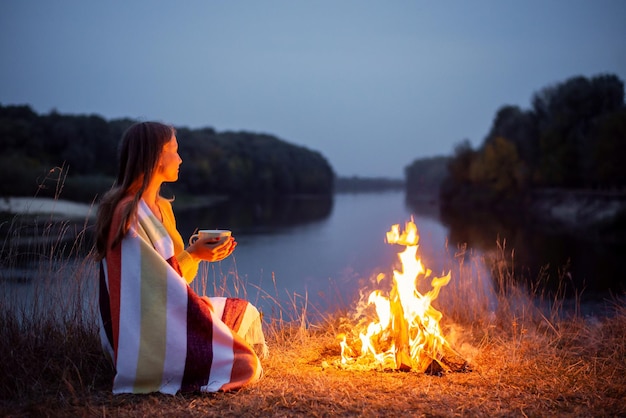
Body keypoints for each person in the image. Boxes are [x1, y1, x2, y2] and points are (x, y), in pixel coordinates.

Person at [94, 121, 266, 394]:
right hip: (144, 331)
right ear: (155, 157)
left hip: (169, 313)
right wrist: (193, 253)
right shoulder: (127, 214)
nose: (180, 158)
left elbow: (174, 280)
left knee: (245, 311)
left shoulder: (162, 207)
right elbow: (146, 290)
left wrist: (198, 255)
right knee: (244, 364)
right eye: (174, 150)